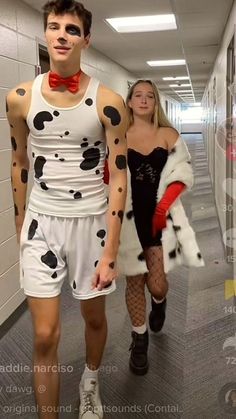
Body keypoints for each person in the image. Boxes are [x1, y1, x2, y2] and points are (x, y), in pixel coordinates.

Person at [6, 1, 127, 418]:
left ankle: (90, 381)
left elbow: (120, 176)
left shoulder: (108, 101)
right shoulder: (20, 99)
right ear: (45, 34)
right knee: (43, 335)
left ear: (85, 39)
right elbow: (19, 161)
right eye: (54, 27)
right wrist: (21, 222)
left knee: (94, 319)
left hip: (92, 224)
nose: (61, 35)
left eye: (71, 29)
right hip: (42, 224)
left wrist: (111, 250)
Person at [115, 79, 204, 375]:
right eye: (137, 95)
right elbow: (110, 175)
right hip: (127, 221)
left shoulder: (168, 134)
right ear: (129, 101)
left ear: (156, 103)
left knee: (155, 282)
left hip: (158, 219)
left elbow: (183, 172)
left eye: (149, 96)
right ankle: (139, 340)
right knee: (133, 282)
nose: (143, 100)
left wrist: (164, 206)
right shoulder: (118, 135)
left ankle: (160, 301)